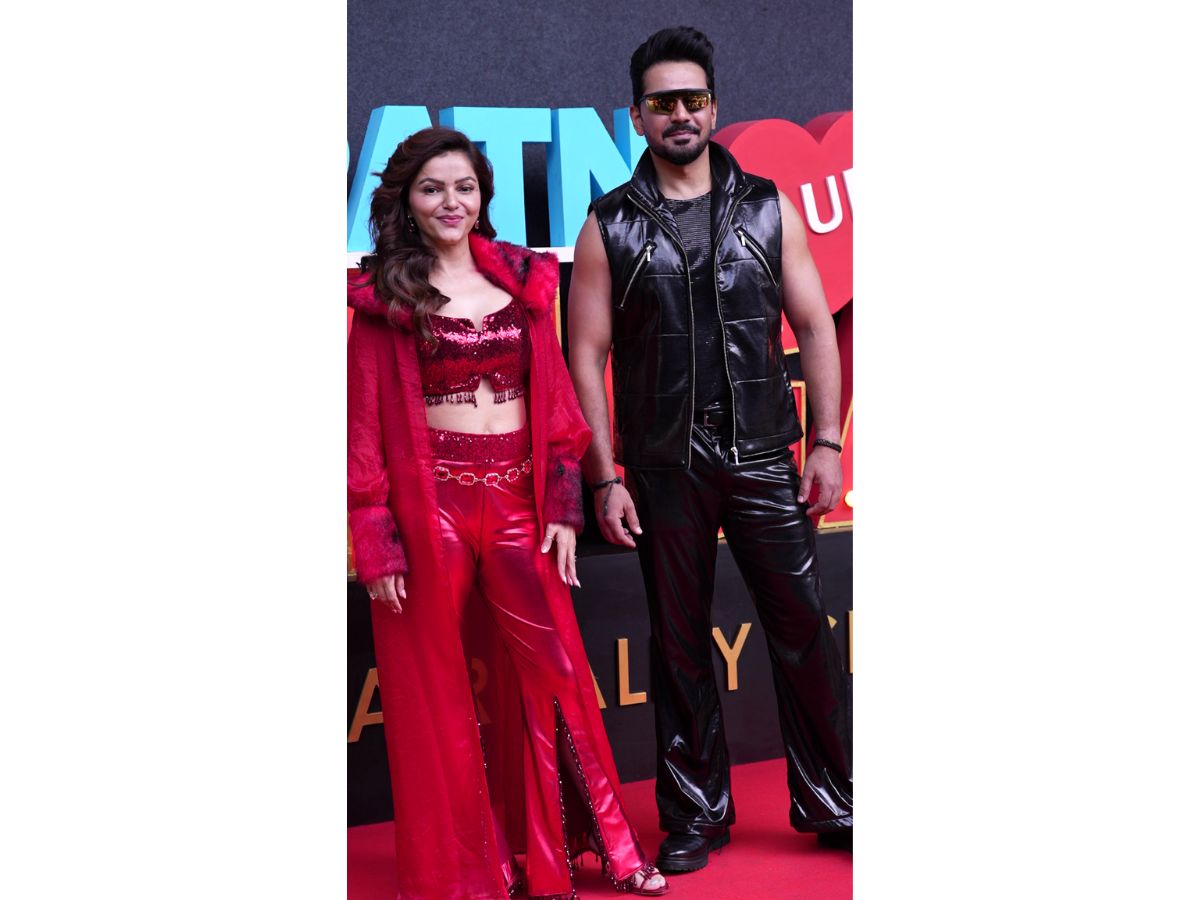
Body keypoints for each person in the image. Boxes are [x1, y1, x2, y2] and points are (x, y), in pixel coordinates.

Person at [348, 127, 668, 899]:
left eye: (463, 187)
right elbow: (360, 427)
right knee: (437, 690)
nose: (450, 202)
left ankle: (610, 849)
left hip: (519, 504)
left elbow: (556, 406)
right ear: (407, 201)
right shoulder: (383, 298)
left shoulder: (524, 284)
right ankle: (475, 869)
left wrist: (562, 505)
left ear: (482, 196)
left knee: (556, 671)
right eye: (432, 188)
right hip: (433, 510)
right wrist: (375, 538)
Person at [567, 27, 853, 875]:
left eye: (693, 98)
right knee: (680, 641)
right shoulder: (609, 224)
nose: (680, 114)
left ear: (715, 108)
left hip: (764, 450)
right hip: (662, 465)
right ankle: (696, 813)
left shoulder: (768, 205)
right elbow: (585, 354)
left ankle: (836, 802)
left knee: (803, 628)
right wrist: (605, 475)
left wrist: (826, 441)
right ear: (638, 116)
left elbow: (814, 326)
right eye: (663, 102)